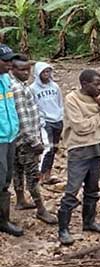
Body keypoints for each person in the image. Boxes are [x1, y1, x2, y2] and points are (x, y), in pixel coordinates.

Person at [57, 69, 100, 245]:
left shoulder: (98, 98)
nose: (99, 88)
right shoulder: (71, 99)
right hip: (78, 149)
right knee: (72, 189)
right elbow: (80, 127)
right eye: (96, 84)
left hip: (96, 147)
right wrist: (99, 118)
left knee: (93, 187)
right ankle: (63, 229)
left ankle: (89, 222)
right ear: (84, 84)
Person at [10, 55, 57, 224]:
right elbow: (22, 118)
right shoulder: (18, 89)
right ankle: (41, 209)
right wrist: (35, 141)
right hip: (26, 140)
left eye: (28, 70)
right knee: (32, 174)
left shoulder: (18, 85)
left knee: (17, 169)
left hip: (16, 139)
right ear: (12, 70)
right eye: (22, 70)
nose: (26, 73)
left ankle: (21, 200)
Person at [0, 44, 23, 236]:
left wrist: (16, 128)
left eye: (10, 60)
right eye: (5, 61)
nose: (9, 64)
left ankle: (3, 220)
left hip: (10, 136)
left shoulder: (6, 78)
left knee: (6, 178)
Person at [31, 62, 63, 185]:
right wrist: (40, 121)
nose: (46, 74)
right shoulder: (33, 89)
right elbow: (33, 106)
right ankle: (40, 174)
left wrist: (61, 115)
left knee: (54, 148)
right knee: (47, 148)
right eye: (44, 72)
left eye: (48, 71)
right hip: (45, 122)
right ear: (38, 73)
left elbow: (60, 102)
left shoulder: (55, 87)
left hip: (57, 120)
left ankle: (48, 174)